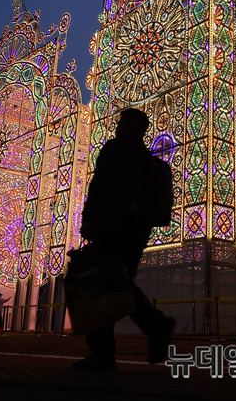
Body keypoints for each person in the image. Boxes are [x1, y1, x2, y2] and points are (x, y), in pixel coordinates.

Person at [73, 108, 175, 372]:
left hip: (112, 228)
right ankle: (153, 327)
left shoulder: (116, 149)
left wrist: (89, 221)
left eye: (120, 122)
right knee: (119, 283)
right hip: (137, 231)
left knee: (101, 286)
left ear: (127, 126)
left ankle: (105, 353)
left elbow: (99, 187)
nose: (117, 126)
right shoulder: (147, 159)